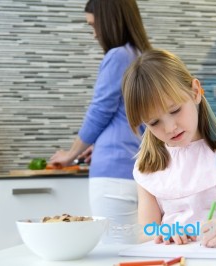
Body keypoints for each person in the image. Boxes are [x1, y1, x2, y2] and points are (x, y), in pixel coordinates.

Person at [122, 49, 216, 248]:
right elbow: (145, 233)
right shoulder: (147, 168)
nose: (170, 128)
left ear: (195, 92)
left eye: (175, 110)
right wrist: (161, 234)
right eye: (154, 122)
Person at [49, 0, 152, 244]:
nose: (95, 33)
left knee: (115, 253)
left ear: (110, 20)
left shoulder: (117, 55)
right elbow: (143, 122)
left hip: (112, 176)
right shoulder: (143, 57)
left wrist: (71, 154)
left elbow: (100, 110)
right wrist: (99, 143)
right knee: (142, 251)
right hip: (140, 172)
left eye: (94, 25)